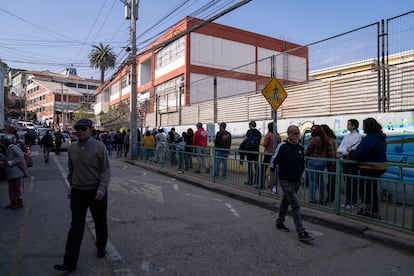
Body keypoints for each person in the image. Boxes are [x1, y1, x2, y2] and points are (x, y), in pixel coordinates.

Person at [54, 118, 111, 272]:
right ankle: (69, 262)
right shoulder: (72, 148)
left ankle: (101, 246)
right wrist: (71, 187)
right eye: (77, 128)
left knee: (100, 222)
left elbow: (105, 170)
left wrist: (101, 190)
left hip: (96, 191)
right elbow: (71, 171)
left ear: (91, 130)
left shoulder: (100, 147)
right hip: (78, 191)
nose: (79, 131)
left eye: (83, 128)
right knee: (76, 226)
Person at [269, 125, 313, 241]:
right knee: (295, 204)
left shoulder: (300, 147)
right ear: (288, 134)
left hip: (296, 180)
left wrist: (301, 176)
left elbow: (303, 162)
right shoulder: (282, 146)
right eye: (294, 133)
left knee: (286, 201)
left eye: (297, 133)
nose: (296, 135)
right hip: (285, 180)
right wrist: (272, 179)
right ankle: (301, 232)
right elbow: (273, 162)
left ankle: (279, 222)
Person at [348, 117, 387, 219]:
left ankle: (366, 209)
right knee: (371, 189)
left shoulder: (370, 138)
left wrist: (351, 151)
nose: (363, 128)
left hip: (369, 168)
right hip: (379, 167)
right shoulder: (380, 137)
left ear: (368, 127)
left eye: (364, 126)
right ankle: (372, 211)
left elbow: (360, 154)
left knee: (365, 189)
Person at [337, 119, 362, 209]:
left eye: (349, 124)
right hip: (345, 160)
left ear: (354, 126)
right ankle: (348, 201)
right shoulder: (346, 136)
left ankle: (353, 202)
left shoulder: (358, 136)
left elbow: (353, 149)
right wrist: (345, 151)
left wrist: (345, 151)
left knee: (352, 181)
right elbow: (340, 149)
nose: (348, 126)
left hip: (352, 160)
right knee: (347, 181)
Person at [305, 124, 329, 204]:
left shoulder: (314, 139)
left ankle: (312, 198)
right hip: (322, 161)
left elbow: (307, 150)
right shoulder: (325, 139)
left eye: (313, 130)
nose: (311, 131)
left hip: (313, 161)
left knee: (313, 181)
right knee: (321, 181)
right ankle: (322, 199)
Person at [1, 138, 26, 209]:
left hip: (17, 172)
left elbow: (21, 157)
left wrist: (11, 162)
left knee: (17, 188)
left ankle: (19, 202)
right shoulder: (6, 149)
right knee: (11, 189)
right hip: (10, 173)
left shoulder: (13, 148)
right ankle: (12, 202)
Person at [321, 124, 339, 203]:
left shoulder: (327, 140)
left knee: (331, 182)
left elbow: (329, 153)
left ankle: (330, 198)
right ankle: (332, 197)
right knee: (332, 181)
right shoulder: (333, 138)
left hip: (331, 163)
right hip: (335, 162)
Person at [242, 121, 261, 185]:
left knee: (250, 166)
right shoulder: (259, 133)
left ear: (250, 125)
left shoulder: (249, 131)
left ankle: (250, 181)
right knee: (256, 166)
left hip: (249, 151)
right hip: (256, 151)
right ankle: (257, 180)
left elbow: (244, 140)